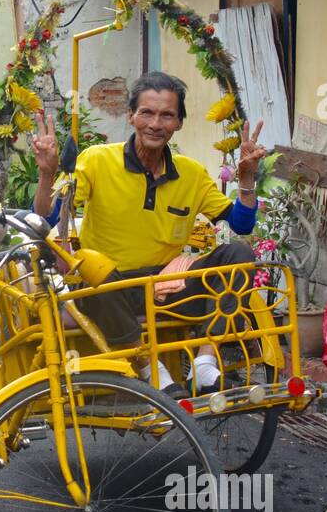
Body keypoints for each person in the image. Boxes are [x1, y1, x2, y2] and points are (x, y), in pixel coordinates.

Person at [32, 71, 267, 397]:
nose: (156, 124)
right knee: (93, 270)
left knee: (239, 255)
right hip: (109, 288)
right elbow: (48, 214)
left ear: (179, 123)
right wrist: (47, 175)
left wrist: (246, 178)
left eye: (167, 115)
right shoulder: (96, 160)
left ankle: (204, 362)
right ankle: (149, 368)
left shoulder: (191, 173)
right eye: (147, 113)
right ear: (131, 117)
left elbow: (241, 224)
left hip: (166, 287)